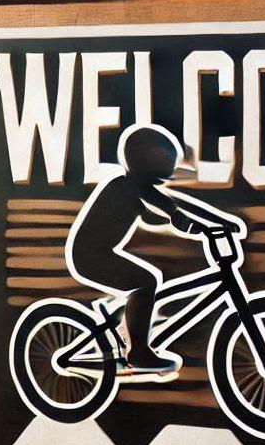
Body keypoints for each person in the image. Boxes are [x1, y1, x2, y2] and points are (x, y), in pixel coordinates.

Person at [66, 123, 242, 372]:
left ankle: (127, 322)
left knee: (147, 283)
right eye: (162, 157)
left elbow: (177, 204)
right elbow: (161, 213)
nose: (169, 165)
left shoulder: (140, 187)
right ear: (144, 160)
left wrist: (220, 222)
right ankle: (138, 352)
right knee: (146, 281)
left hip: (100, 253)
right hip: (89, 257)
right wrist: (191, 225)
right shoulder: (123, 187)